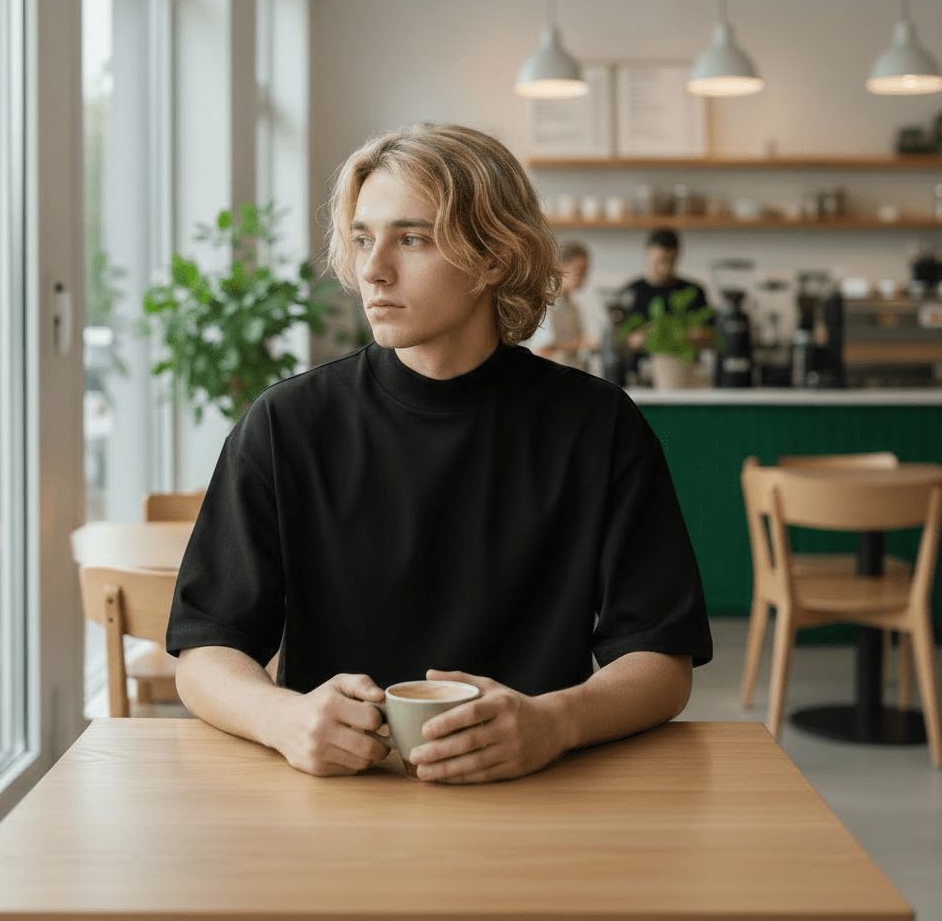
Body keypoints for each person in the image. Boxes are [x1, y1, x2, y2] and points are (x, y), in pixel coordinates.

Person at [166, 124, 712, 785]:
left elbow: (661, 659)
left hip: (539, 794)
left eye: (412, 238)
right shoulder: (287, 425)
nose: (372, 269)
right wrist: (282, 719)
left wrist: (555, 723)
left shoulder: (598, 427)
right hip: (340, 798)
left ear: (492, 258)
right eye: (364, 238)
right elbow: (206, 648)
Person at [620, 229, 713, 355]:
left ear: (678, 255)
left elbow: (713, 336)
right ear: (648, 252)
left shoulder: (693, 291)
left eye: (670, 261)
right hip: (642, 367)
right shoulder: (631, 292)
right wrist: (642, 336)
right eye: (660, 261)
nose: (665, 268)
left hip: (684, 366)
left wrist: (696, 335)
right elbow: (620, 342)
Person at [533, 240, 599, 370]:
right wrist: (582, 343)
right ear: (561, 267)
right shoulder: (543, 302)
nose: (583, 277)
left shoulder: (573, 305)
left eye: (585, 271)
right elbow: (542, 349)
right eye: (580, 270)